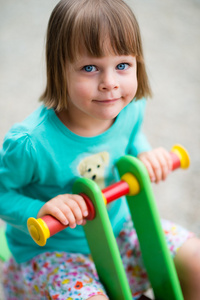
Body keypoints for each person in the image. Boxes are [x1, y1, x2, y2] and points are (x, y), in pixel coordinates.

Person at [1, 0, 200, 299]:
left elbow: (131, 140)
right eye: (90, 68)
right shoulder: (31, 143)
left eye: (122, 66)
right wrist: (40, 209)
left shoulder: (130, 109)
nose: (110, 84)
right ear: (59, 69)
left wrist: (145, 154)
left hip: (118, 228)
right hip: (55, 252)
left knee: (195, 261)